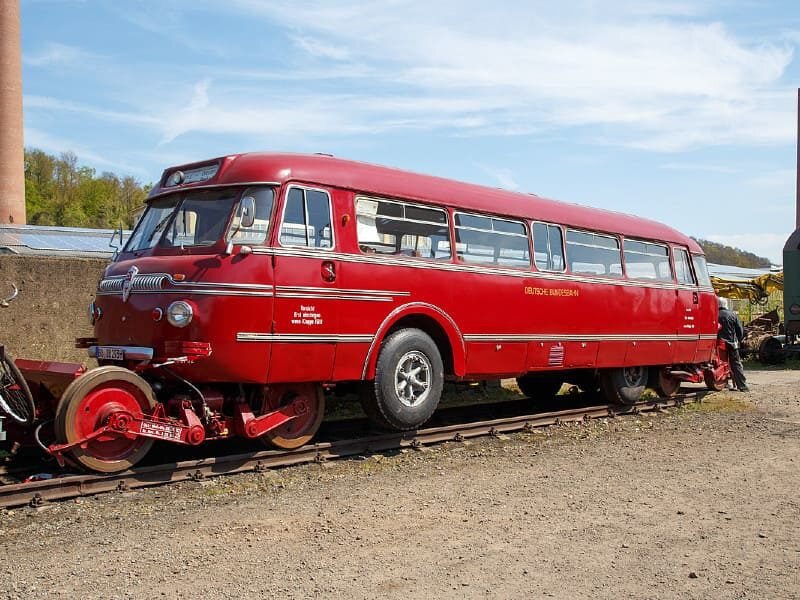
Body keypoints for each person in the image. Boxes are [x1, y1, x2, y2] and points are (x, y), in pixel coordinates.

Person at [717, 297, 748, 392]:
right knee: (736, 364)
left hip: (717, 344)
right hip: (731, 344)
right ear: (726, 304)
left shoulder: (714, 315)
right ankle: (742, 386)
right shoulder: (733, 315)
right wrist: (739, 339)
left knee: (719, 365)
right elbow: (740, 331)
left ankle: (724, 383)